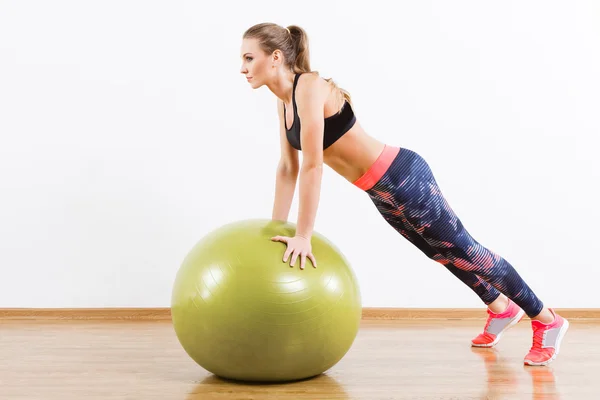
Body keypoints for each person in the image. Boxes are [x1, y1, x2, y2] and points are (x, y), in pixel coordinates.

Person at [239, 22, 569, 366]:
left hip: (402, 177)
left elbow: (312, 167)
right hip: (378, 190)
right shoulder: (282, 102)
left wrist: (303, 235)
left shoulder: (308, 87)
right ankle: (500, 308)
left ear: (275, 57)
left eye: (249, 57)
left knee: (468, 250)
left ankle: (547, 320)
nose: (243, 67)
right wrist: (277, 227)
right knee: (439, 252)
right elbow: (288, 168)